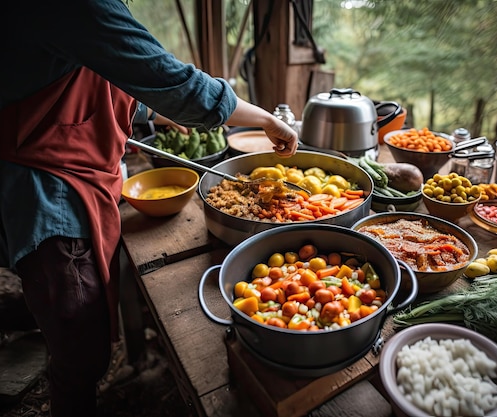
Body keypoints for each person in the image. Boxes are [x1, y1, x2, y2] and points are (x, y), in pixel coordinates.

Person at [0, 1, 298, 416]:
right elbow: (169, 79)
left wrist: (160, 111)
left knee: (82, 315)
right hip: (48, 187)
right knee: (78, 343)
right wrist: (263, 118)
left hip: (90, 176)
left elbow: (108, 75)